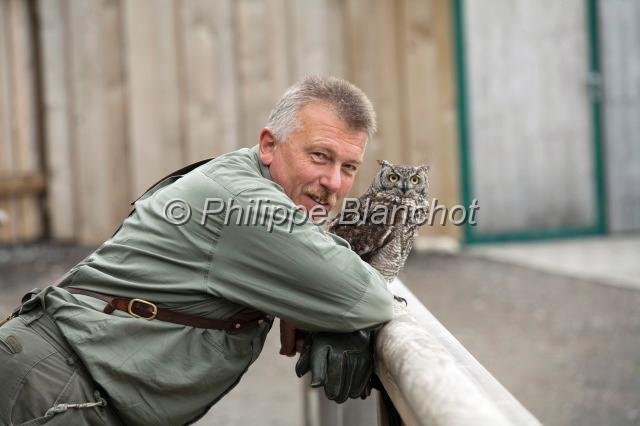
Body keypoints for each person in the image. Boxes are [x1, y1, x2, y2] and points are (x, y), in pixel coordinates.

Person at [0, 76, 393, 425]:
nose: (334, 182)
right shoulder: (245, 202)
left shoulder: (243, 179)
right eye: (320, 156)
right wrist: (322, 304)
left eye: (349, 167)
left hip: (62, 377)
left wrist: (308, 302)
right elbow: (368, 298)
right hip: (52, 388)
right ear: (269, 145)